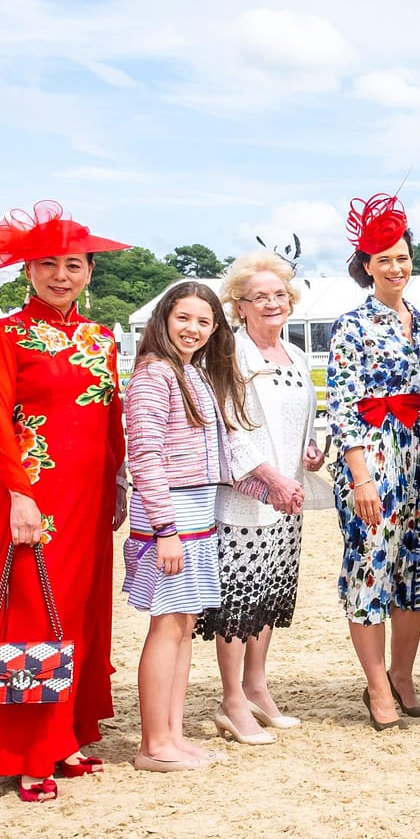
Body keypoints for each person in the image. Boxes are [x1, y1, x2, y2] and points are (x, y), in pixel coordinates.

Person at [0, 201, 128, 801]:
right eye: (48, 264)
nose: (62, 275)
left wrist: (116, 483)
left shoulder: (102, 338)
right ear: (28, 270)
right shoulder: (4, 334)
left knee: (78, 613)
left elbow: (110, 421)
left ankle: (61, 737)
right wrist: (19, 494)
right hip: (35, 496)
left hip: (90, 499)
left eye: (75, 265)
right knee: (30, 616)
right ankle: (25, 754)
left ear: (90, 271)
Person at [328, 192, 420, 730]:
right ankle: (375, 687)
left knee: (418, 566)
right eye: (384, 258)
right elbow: (342, 404)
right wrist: (360, 475)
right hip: (375, 452)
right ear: (366, 267)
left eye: (403, 256)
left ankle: (402, 674)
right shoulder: (351, 325)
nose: (396, 267)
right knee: (373, 563)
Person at [123, 282, 251, 771]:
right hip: (171, 518)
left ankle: (172, 736)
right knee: (167, 627)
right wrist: (164, 529)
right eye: (183, 318)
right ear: (163, 319)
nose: (193, 329)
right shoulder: (155, 374)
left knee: (183, 626)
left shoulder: (191, 373)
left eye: (204, 321)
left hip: (195, 515)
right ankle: (154, 743)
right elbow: (147, 455)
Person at [200, 249, 323, 745]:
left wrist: (311, 453)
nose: (272, 303)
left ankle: (256, 688)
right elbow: (231, 428)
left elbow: (302, 420)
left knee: (268, 595)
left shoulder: (295, 353)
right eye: (260, 297)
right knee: (238, 599)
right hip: (248, 497)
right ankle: (231, 699)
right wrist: (271, 476)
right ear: (240, 305)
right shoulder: (230, 353)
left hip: (287, 496)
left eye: (279, 295)